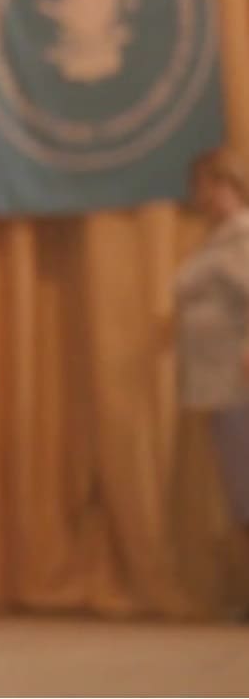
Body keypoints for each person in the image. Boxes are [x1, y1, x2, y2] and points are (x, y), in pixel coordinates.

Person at [175, 148, 249, 589]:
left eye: (211, 185)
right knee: (240, 487)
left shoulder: (242, 237)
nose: (204, 195)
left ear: (232, 186)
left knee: (247, 485)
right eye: (200, 187)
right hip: (221, 381)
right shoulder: (219, 239)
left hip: (240, 379)